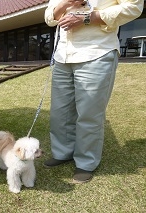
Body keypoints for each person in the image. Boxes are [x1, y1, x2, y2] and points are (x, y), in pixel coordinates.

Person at [43, 0, 143, 183]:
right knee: (60, 112)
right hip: (62, 55)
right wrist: (67, 3)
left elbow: (133, 7)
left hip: (97, 51)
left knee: (89, 113)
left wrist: (87, 18)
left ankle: (86, 162)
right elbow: (50, 17)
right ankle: (63, 152)